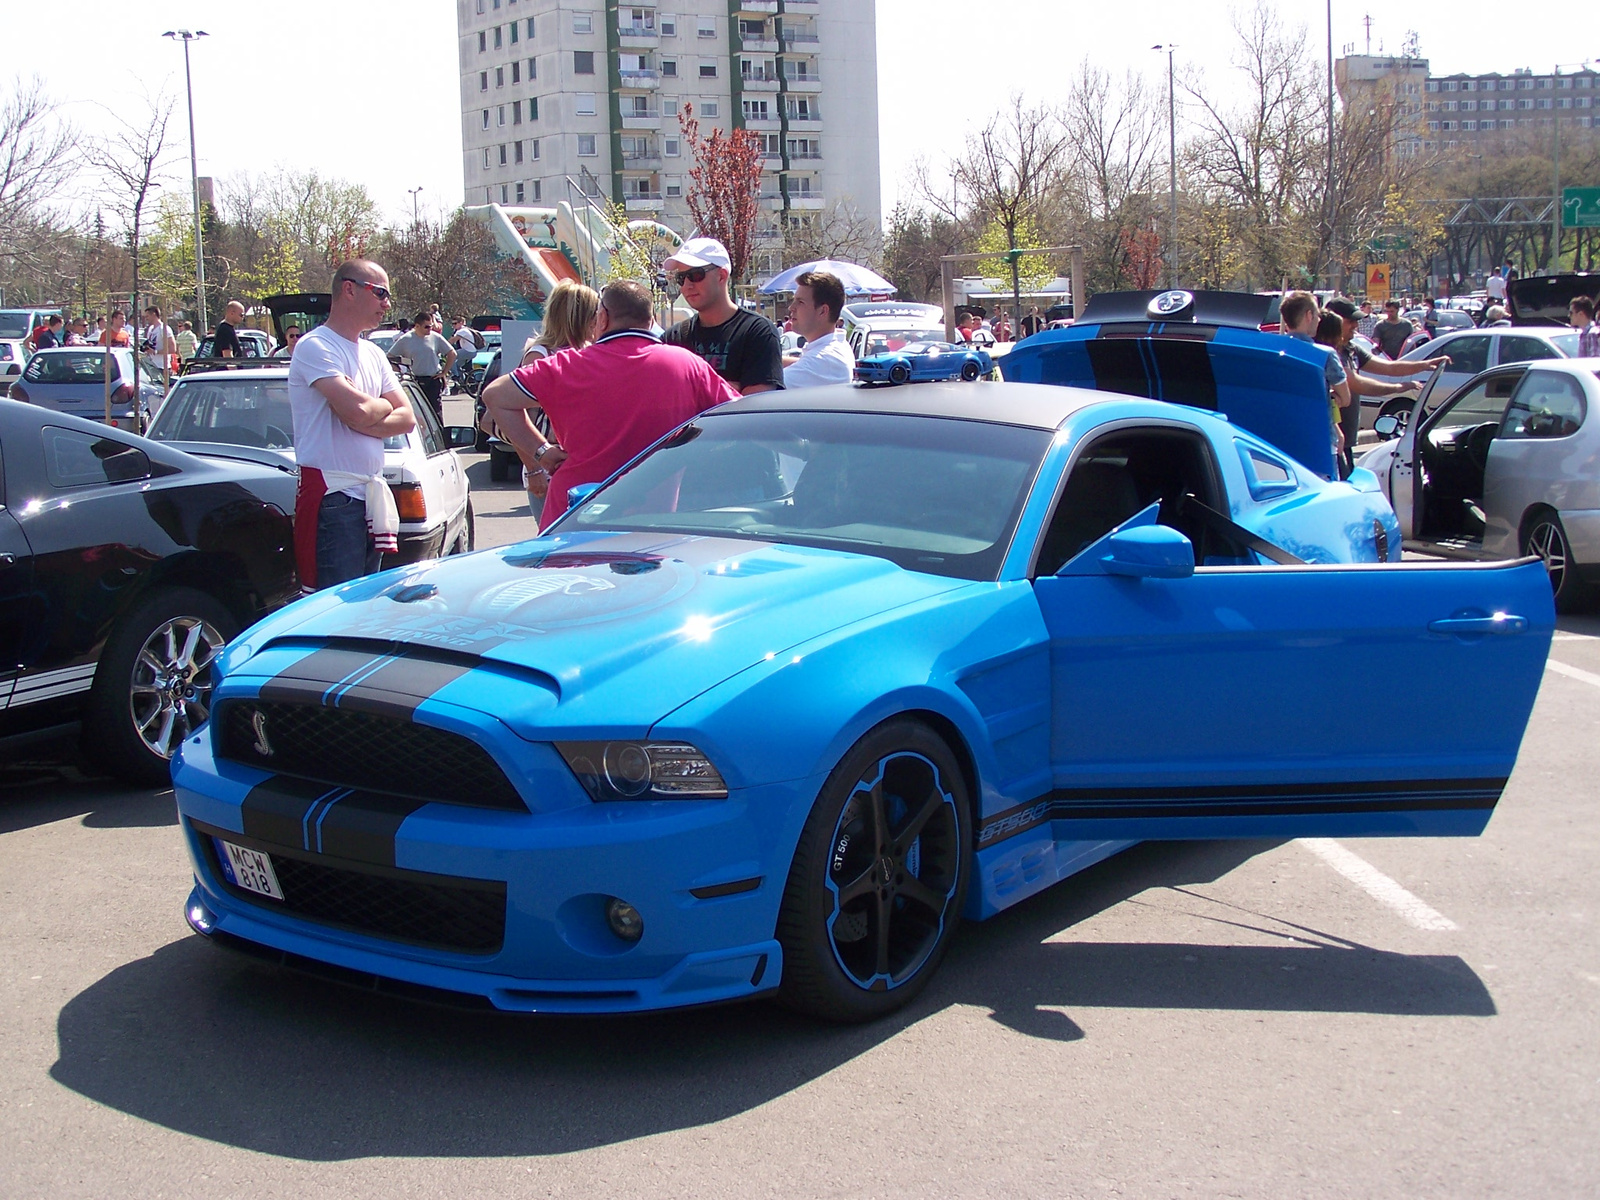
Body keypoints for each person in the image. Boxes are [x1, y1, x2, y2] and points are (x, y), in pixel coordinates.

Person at [482, 279, 741, 530]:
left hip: (576, 510)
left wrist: (541, 452)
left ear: (602, 318)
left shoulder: (567, 365)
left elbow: (495, 396)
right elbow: (740, 416)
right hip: (655, 517)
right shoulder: (687, 365)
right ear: (651, 321)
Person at [287, 260, 416, 591]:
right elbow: (358, 411)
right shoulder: (315, 346)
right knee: (334, 606)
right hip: (333, 497)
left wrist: (370, 411)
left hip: (369, 496)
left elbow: (406, 417)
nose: (387, 304)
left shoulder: (374, 354)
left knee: (366, 606)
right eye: (380, 293)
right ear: (349, 289)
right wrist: (375, 408)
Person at [1326, 298, 1447, 474]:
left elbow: (1389, 367)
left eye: (1356, 321)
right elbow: (1358, 384)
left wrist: (1425, 364)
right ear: (1334, 320)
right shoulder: (1329, 352)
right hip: (1333, 442)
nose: (1355, 325)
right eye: (1350, 321)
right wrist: (1399, 388)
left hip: (1346, 442)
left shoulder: (1351, 349)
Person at [661, 237, 783, 394]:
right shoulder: (674, 338)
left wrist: (689, 390)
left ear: (721, 275)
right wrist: (728, 389)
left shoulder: (757, 332)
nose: (687, 285)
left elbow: (756, 405)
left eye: (695, 275)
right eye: (681, 278)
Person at [1282, 291, 1350, 477]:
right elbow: (1345, 398)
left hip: (1282, 441)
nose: (1319, 319)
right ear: (1309, 315)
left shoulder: (1274, 351)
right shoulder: (1324, 354)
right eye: (1317, 315)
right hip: (1319, 440)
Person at [782, 269, 855, 388]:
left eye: (800, 302)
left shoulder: (826, 359)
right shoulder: (832, 348)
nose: (791, 307)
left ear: (822, 311)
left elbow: (761, 391)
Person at [388, 311, 457, 419]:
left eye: (431, 326)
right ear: (417, 326)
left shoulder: (436, 337)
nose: (430, 329)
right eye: (427, 327)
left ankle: (440, 434)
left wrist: (444, 372)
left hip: (432, 379)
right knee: (417, 413)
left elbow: (452, 353)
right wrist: (400, 370)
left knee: (436, 412)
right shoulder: (406, 339)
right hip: (415, 381)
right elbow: (389, 357)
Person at [139, 306, 174, 377]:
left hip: (162, 367)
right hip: (150, 366)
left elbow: (172, 349)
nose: (146, 319)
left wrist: (156, 352)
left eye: (147, 316)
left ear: (154, 314)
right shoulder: (150, 329)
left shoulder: (164, 328)